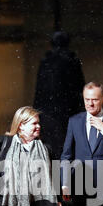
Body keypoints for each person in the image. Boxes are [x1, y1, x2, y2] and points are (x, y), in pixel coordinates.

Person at [34, 31, 85, 159]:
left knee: (54, 146)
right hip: (67, 109)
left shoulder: (46, 61)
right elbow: (79, 85)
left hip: (50, 110)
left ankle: (58, 175)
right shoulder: (71, 60)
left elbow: (39, 89)